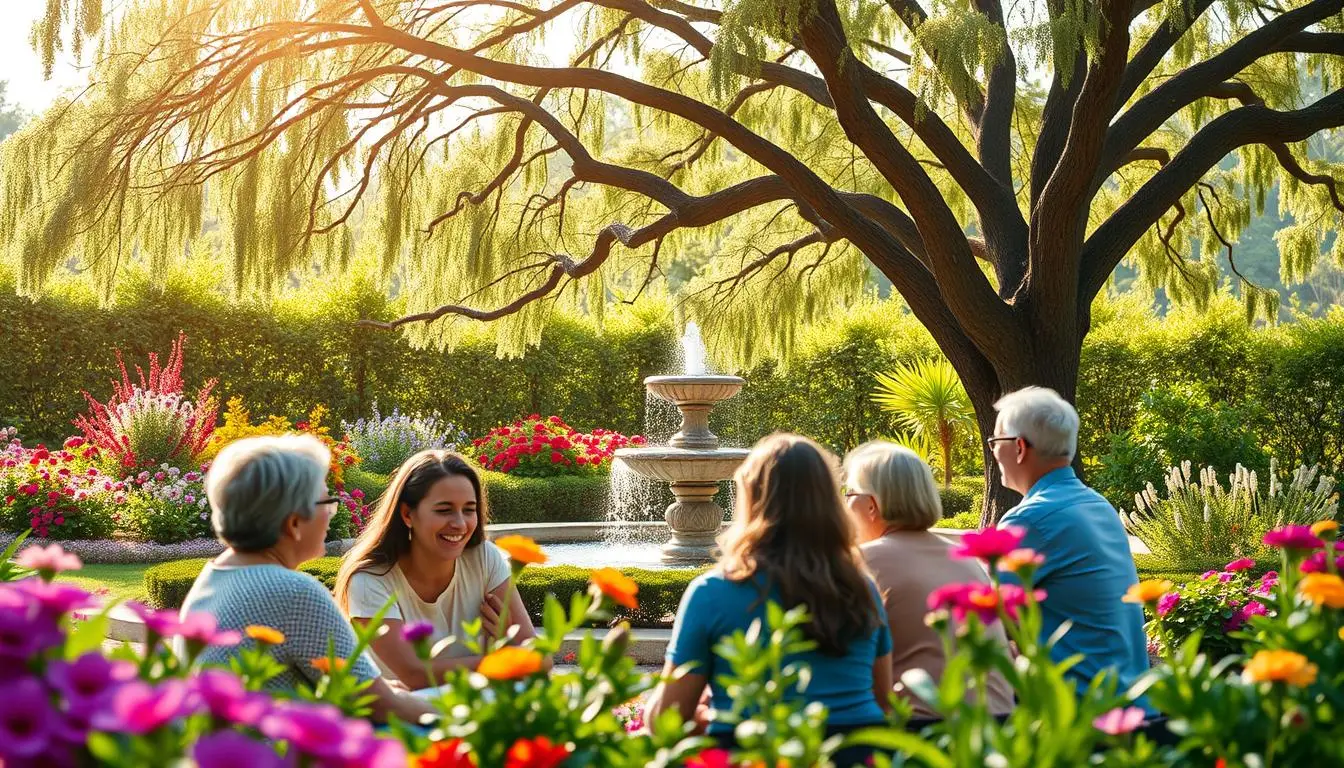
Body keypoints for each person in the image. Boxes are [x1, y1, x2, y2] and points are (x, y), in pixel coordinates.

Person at [646, 433, 892, 768]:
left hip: (749, 752)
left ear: (750, 498)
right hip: (855, 755)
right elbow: (884, 702)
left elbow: (666, 721)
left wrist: (700, 714)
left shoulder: (711, 592)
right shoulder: (862, 589)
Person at [178, 435, 429, 722]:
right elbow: (377, 704)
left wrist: (383, 690)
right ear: (294, 523)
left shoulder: (214, 576)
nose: (331, 514)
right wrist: (454, 712)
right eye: (327, 503)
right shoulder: (291, 591)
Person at [989, 387, 1150, 700]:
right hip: (1133, 699)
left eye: (996, 441)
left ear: (1019, 447)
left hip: (1079, 712)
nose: (994, 451)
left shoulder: (1029, 519)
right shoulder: (1098, 505)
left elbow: (987, 617)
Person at [842, 441, 1015, 723]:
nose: (844, 505)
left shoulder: (863, 561)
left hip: (928, 729)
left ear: (872, 505)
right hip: (999, 722)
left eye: (849, 494)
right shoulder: (965, 558)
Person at [334, 450, 535, 689]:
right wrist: (505, 659)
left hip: (476, 705)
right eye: (444, 510)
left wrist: (511, 647)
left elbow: (536, 657)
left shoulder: (484, 558)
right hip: (403, 711)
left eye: (469, 510)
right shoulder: (370, 580)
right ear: (407, 514)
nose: (459, 524)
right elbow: (416, 675)